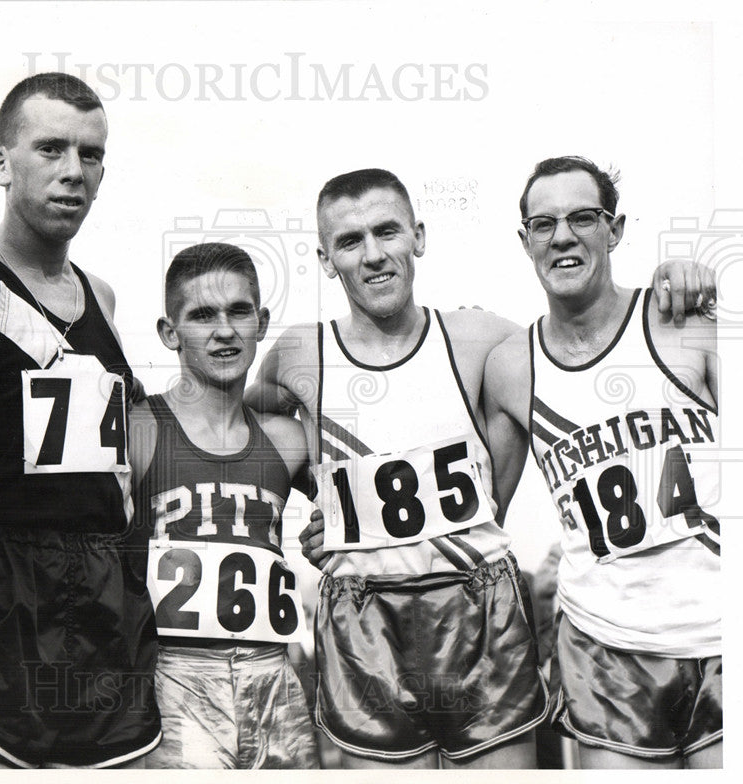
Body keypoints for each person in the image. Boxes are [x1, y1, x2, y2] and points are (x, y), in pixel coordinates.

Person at [246, 167, 713, 769]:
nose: (373, 255)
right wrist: (324, 504)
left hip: (480, 613)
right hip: (364, 623)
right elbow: (250, 421)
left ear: (419, 235)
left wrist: (673, 279)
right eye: (349, 241)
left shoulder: (483, 340)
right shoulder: (297, 353)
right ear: (326, 259)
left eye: (387, 232)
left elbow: (590, 352)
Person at [0, 72, 162, 768]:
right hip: (7, 605)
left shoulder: (103, 297)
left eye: (90, 155)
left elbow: (125, 444)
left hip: (108, 604)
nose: (73, 173)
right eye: (51, 149)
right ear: (0, 164)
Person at [482, 156, 721, 769]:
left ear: (613, 230)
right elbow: (480, 518)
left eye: (582, 218)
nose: (562, 236)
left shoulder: (683, 324)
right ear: (525, 241)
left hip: (723, 632)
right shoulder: (512, 367)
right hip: (607, 650)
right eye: (544, 224)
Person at [126, 242, 318, 769]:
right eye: (202, 315)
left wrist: (329, 534)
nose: (224, 330)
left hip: (273, 674)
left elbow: (359, 507)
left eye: (238, 312)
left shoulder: (287, 439)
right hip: (174, 675)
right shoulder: (138, 428)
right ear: (170, 333)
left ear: (261, 321)